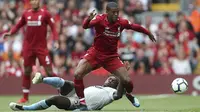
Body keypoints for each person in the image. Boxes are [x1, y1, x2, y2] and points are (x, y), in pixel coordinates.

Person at [74, 1, 156, 104]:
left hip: (111, 57)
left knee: (127, 80)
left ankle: (129, 94)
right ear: (107, 12)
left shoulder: (121, 22)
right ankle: (82, 102)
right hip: (96, 54)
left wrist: (148, 33)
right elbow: (85, 26)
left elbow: (135, 26)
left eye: (117, 12)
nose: (116, 14)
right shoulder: (99, 19)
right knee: (77, 74)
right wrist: (88, 19)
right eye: (113, 12)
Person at [2, 0, 59, 103]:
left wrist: (55, 41)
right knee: (27, 71)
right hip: (28, 47)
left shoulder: (45, 13)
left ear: (39, 2)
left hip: (41, 48)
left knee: (49, 72)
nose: (34, 2)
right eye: (32, 0)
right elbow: (18, 25)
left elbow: (53, 28)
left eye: (36, 0)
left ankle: (62, 91)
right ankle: (25, 97)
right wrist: (10, 33)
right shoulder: (26, 13)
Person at [9, 72, 139, 111]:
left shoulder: (111, 93)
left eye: (113, 80)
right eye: (110, 78)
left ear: (116, 85)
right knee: (68, 83)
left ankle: (25, 109)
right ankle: (42, 79)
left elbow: (120, 94)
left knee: (53, 99)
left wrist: (122, 79)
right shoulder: (101, 87)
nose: (110, 80)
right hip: (77, 94)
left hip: (77, 103)